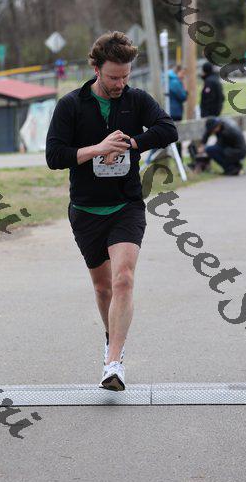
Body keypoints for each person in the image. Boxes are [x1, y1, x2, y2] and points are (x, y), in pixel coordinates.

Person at [46, 31, 178, 391]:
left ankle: (113, 363)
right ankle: (111, 341)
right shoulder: (71, 105)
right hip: (86, 209)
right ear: (96, 69)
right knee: (103, 288)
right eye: (113, 77)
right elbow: (54, 156)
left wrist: (134, 143)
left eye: (125, 76)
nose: (120, 84)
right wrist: (97, 149)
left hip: (126, 205)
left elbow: (168, 129)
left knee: (124, 279)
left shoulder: (136, 100)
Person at [168, 65, 187, 157]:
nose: (183, 76)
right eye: (182, 73)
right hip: (175, 112)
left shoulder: (169, 80)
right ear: (177, 72)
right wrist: (185, 90)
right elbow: (183, 96)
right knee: (177, 135)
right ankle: (179, 156)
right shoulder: (175, 82)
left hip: (172, 111)